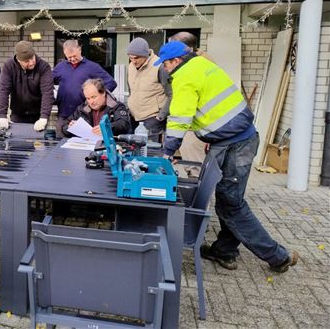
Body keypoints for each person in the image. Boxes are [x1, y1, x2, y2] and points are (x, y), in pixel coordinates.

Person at [156, 41, 298, 273]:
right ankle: (225, 250)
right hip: (236, 138)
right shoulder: (202, 64)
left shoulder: (184, 77)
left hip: (234, 143)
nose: (165, 69)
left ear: (175, 61)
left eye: (165, 64)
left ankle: (277, 256)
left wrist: (168, 151)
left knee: (231, 203)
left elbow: (180, 118)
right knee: (228, 200)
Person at [53, 39, 117, 138]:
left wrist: (97, 97)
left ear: (80, 50)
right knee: (60, 148)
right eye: (69, 57)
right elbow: (47, 83)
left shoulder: (92, 67)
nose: (72, 59)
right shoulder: (61, 67)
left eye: (74, 56)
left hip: (85, 118)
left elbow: (111, 83)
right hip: (64, 116)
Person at [168, 32, 207, 177]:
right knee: (192, 164)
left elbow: (182, 112)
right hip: (195, 126)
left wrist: (168, 151)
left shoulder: (190, 70)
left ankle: (198, 196)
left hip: (197, 127)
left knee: (196, 166)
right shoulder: (197, 62)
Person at [0, 41, 54, 131]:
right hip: (17, 114)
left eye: (32, 58)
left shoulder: (44, 67)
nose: (31, 63)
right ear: (18, 60)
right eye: (26, 61)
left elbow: (47, 93)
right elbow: (3, 91)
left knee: (38, 143)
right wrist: (1, 115)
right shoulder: (9, 67)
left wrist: (44, 117)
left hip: (38, 116)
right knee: (17, 143)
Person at [126, 37, 171, 141]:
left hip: (152, 119)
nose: (133, 61)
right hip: (133, 117)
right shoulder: (131, 66)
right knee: (134, 151)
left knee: (150, 152)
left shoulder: (160, 66)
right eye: (130, 58)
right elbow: (131, 90)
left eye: (136, 58)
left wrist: (161, 116)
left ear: (145, 55)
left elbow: (172, 94)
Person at [63, 78, 130, 137]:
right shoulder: (82, 109)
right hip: (87, 146)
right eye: (88, 98)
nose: (91, 102)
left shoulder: (117, 106)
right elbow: (64, 126)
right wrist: (70, 128)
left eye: (93, 97)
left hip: (110, 147)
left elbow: (123, 124)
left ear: (103, 93)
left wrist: (107, 128)